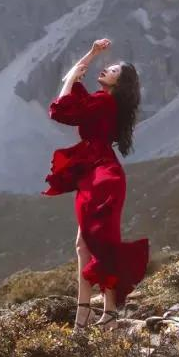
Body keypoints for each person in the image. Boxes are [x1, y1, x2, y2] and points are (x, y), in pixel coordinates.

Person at [43, 37, 149, 330]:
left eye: (113, 70)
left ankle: (97, 314)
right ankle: (96, 312)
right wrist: (91, 53)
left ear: (120, 82)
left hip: (103, 176)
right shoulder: (104, 101)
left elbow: (59, 110)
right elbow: (73, 77)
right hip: (98, 172)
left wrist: (85, 62)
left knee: (95, 244)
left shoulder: (103, 101)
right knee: (84, 245)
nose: (106, 69)